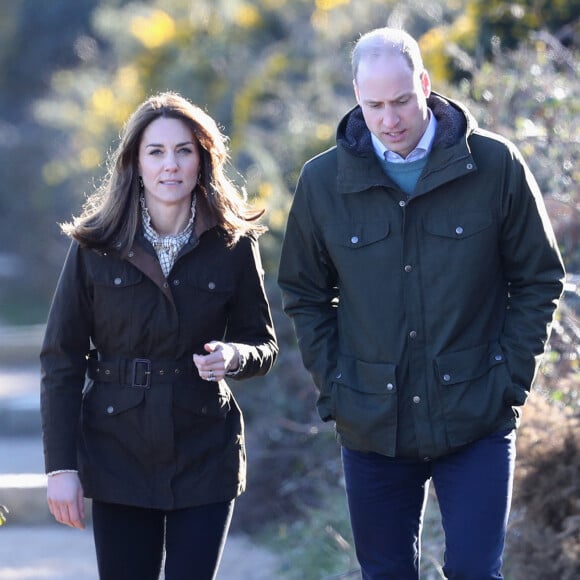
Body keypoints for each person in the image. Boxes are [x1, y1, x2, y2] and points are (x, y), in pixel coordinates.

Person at [278, 27, 565, 579]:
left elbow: (538, 278)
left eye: (402, 100)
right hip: (372, 422)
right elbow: (305, 293)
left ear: (426, 86)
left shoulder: (495, 164)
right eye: (374, 105)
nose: (389, 119)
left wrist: (510, 378)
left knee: (477, 573)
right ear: (357, 99)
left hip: (476, 414)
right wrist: (337, 386)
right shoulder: (322, 182)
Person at [40, 91, 278, 580]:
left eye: (184, 150)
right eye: (156, 151)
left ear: (202, 159)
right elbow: (61, 360)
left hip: (204, 446)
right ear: (135, 163)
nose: (171, 165)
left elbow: (264, 344)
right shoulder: (96, 246)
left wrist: (234, 355)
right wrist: (60, 468)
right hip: (116, 449)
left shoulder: (233, 244)